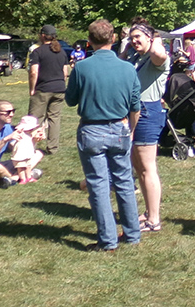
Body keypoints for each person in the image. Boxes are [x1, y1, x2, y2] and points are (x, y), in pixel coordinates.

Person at [65, 19, 141, 251]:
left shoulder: (82, 67)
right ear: (114, 39)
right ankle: (132, 234)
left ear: (89, 41)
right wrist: (131, 130)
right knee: (124, 182)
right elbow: (135, 106)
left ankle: (107, 240)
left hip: (91, 130)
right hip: (120, 128)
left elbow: (70, 100)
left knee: (98, 185)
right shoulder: (127, 68)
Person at [127, 17, 169, 233]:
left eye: (138, 37)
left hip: (148, 112)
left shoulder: (156, 57)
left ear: (150, 39)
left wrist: (156, 40)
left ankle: (154, 219)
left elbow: (160, 54)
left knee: (147, 167)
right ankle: (148, 212)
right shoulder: (138, 57)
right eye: (131, 37)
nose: (134, 41)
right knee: (139, 167)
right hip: (135, 111)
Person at [0, 101, 44, 189]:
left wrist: (32, 140)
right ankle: (18, 177)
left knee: (37, 154)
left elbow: (19, 150)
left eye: (13, 111)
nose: (12, 114)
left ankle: (14, 178)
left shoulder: (7, 128)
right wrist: (5, 140)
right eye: (8, 112)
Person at [28, 24, 69, 155]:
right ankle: (53, 148)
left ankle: (30, 146)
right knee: (54, 118)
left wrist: (32, 89)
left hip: (43, 89)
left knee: (35, 119)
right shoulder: (61, 52)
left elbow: (34, 72)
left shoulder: (38, 52)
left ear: (43, 36)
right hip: (59, 89)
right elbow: (65, 72)